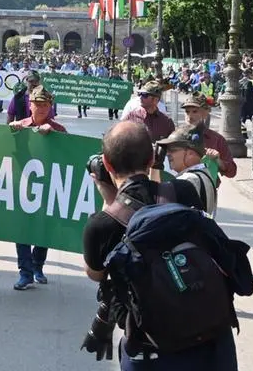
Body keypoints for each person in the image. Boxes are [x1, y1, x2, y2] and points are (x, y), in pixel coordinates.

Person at [82, 122, 233, 370]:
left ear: (108, 165)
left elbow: (96, 273)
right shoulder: (183, 191)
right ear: (152, 157)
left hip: (150, 348)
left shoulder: (101, 225)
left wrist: (109, 202)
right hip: (210, 336)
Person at [8, 86, 66, 288]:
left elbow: (68, 159)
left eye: (44, 105)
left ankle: (37, 265)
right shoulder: (19, 126)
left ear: (50, 107)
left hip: (49, 187)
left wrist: (54, 138)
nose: (40, 109)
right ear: (29, 105)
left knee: (45, 229)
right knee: (22, 230)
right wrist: (14, 133)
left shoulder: (58, 130)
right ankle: (25, 272)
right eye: (36, 105)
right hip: (24, 187)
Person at [156, 124, 219, 215]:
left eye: (173, 150)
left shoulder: (187, 180)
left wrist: (154, 168)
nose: (168, 154)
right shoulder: (205, 173)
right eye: (167, 150)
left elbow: (160, 212)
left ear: (190, 154)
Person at [181, 92, 236, 179]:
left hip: (207, 189)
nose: (190, 116)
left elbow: (232, 172)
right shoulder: (175, 137)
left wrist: (218, 161)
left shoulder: (216, 139)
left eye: (194, 111)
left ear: (205, 113)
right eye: (187, 112)